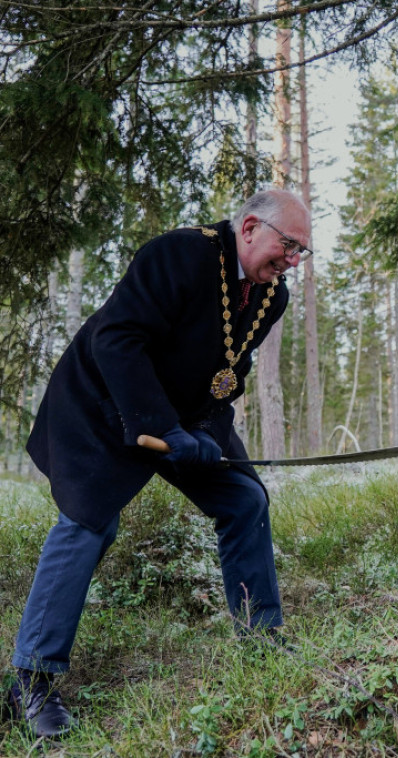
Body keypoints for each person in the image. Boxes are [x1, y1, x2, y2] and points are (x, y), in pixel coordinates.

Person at [2, 188, 313, 739]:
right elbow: (116, 339)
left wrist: (202, 432)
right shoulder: (180, 254)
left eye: (300, 253)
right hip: (100, 400)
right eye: (287, 245)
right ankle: (31, 682)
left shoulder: (272, 297)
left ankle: (262, 640)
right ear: (248, 228)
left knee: (244, 499)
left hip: (186, 415)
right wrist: (163, 426)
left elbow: (224, 373)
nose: (291, 261)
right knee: (89, 522)